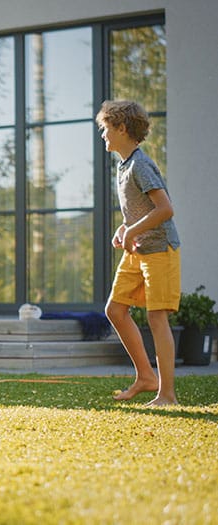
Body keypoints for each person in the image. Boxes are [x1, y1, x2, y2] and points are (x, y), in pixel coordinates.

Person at [98, 100, 181, 406]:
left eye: (106, 129)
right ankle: (146, 376)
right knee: (115, 309)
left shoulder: (140, 165)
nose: (103, 135)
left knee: (156, 317)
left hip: (160, 249)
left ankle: (167, 394)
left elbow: (165, 209)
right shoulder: (124, 166)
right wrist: (125, 228)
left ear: (122, 128)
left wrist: (132, 231)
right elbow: (139, 210)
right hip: (138, 249)